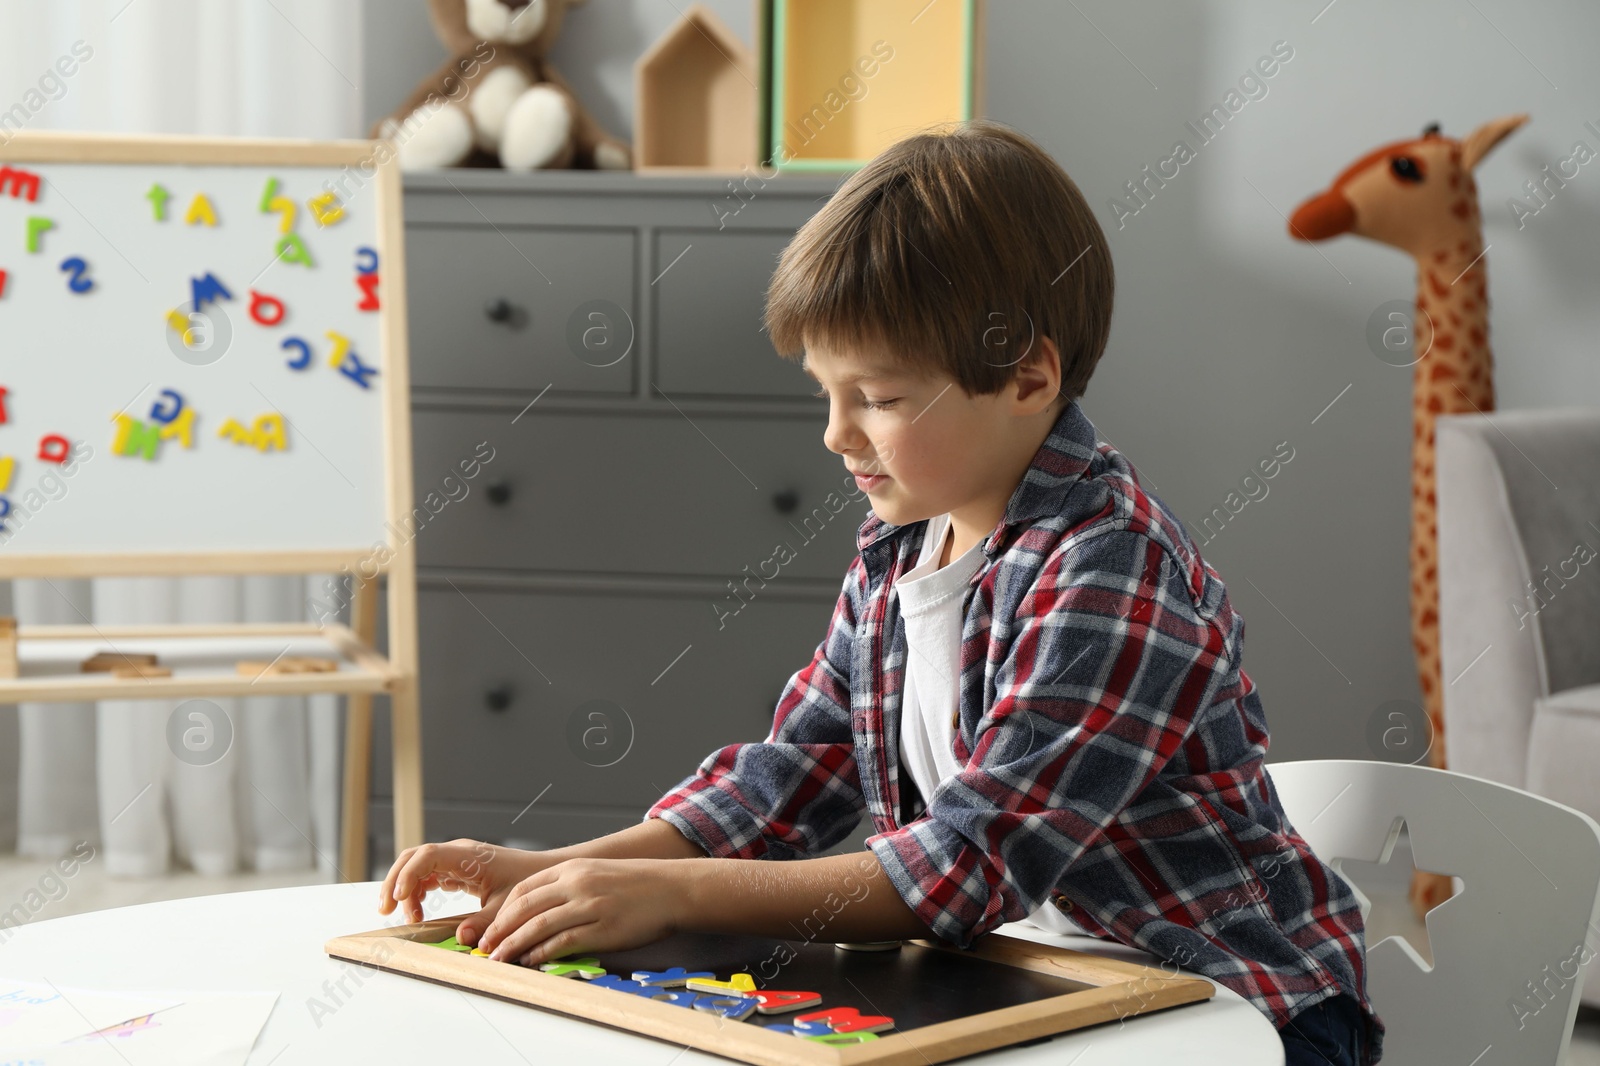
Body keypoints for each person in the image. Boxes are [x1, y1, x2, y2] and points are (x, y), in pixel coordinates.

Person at [379, 118, 1383, 1065]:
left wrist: (664, 892)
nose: (836, 433)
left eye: (882, 398)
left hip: (1238, 1009)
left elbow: (961, 865)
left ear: (1028, 377)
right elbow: (787, 779)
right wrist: (560, 870)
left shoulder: (1113, 573)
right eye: (827, 392)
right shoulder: (899, 547)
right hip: (1046, 985)